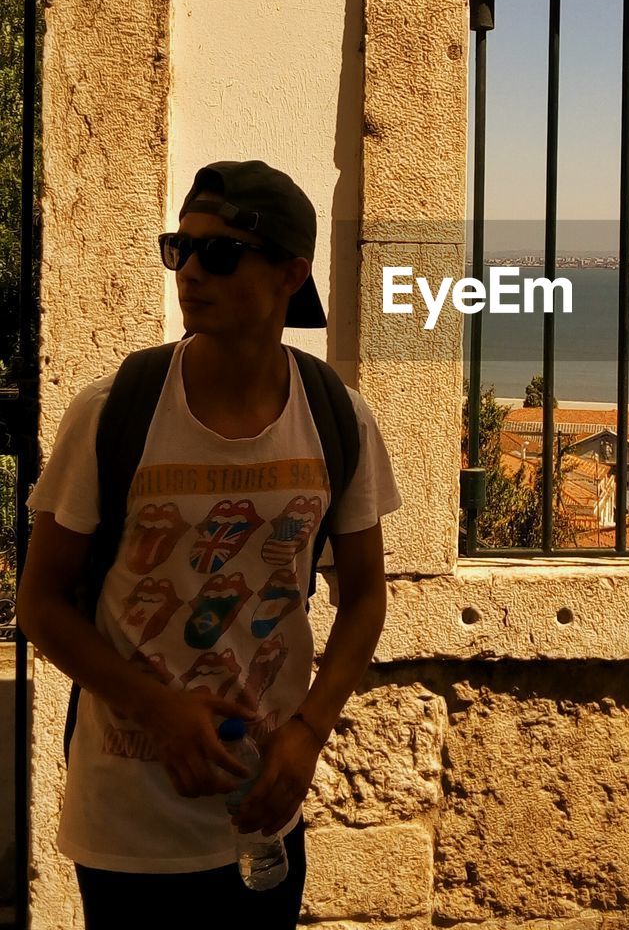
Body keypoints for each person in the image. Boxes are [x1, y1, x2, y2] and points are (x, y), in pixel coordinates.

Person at [17, 160, 401, 930]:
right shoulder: (113, 412)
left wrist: (309, 733)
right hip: (129, 825)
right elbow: (41, 603)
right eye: (179, 249)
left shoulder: (337, 417)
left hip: (263, 814)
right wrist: (157, 707)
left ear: (292, 273)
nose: (189, 272)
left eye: (219, 253)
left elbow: (364, 599)